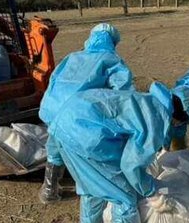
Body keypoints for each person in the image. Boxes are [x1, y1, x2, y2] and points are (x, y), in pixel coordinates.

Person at [48, 82, 189, 223]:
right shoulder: (156, 117)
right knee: (123, 196)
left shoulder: (144, 101)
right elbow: (131, 165)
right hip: (87, 137)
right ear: (174, 117)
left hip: (65, 125)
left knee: (92, 185)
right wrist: (151, 192)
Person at [38, 23, 134, 204]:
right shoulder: (111, 60)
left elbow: (53, 81)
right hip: (76, 115)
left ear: (90, 39)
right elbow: (123, 93)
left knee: (55, 145)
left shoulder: (72, 57)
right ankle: (95, 190)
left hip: (53, 108)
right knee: (89, 154)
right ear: (112, 42)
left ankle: (49, 189)